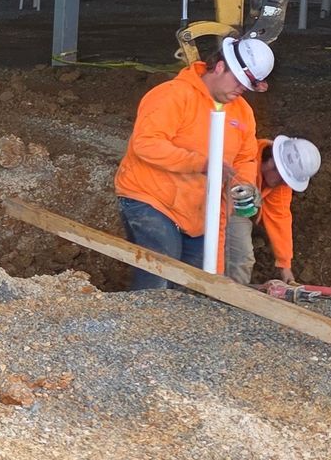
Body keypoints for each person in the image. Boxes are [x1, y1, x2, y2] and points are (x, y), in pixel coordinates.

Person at [113, 33, 272, 288]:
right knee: (160, 273)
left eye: (247, 85)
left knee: (193, 288)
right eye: (239, 81)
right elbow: (146, 143)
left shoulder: (243, 112)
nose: (242, 89)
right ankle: (146, 323)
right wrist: (200, 164)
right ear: (220, 66)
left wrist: (242, 184)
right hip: (152, 199)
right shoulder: (173, 95)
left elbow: (245, 157)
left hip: (199, 211)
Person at [226, 132, 320, 287]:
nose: (284, 185)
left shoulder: (279, 184)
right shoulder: (243, 154)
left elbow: (280, 218)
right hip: (214, 196)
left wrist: (285, 266)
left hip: (235, 206)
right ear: (271, 163)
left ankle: (230, 300)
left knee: (241, 256)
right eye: (284, 179)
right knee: (239, 255)